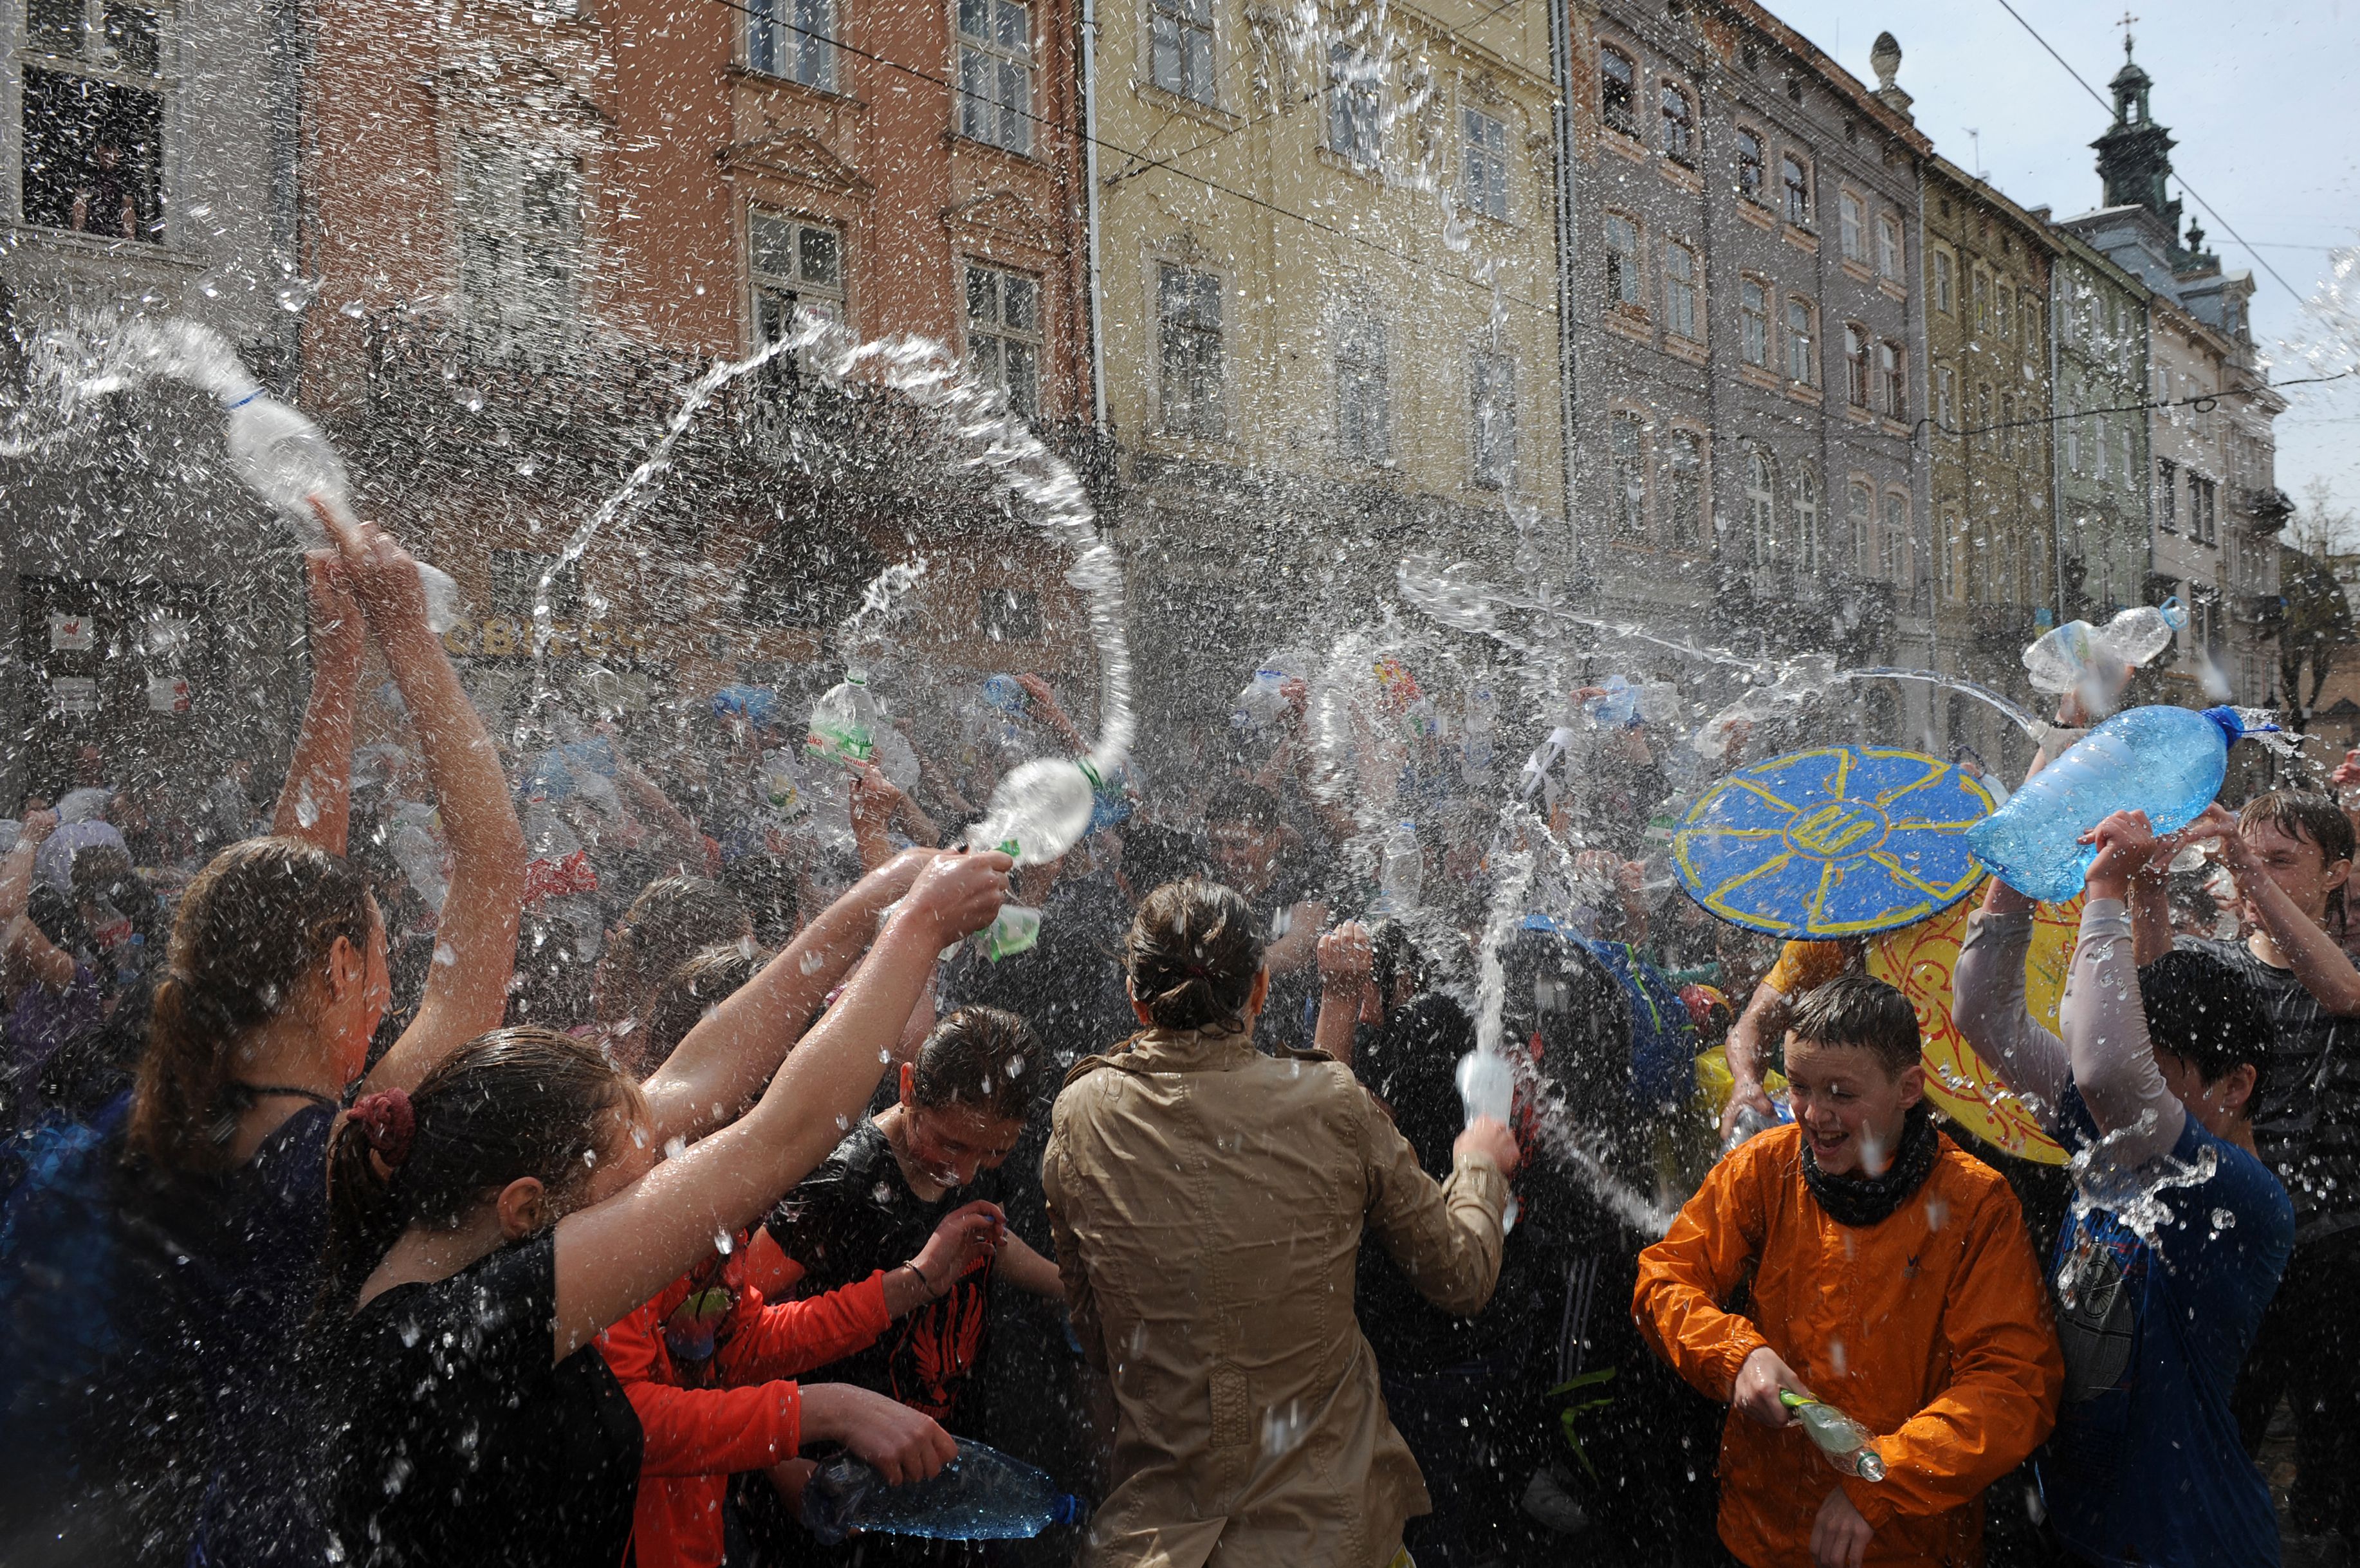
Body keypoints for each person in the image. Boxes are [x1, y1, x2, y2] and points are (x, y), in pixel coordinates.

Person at [317, 847, 1013, 1568]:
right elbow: (785, 1133)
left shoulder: (435, 1230)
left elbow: (703, 1070)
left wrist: (871, 903)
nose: (654, 1187)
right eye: (626, 1190)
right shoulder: (468, 1322)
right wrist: (921, 927)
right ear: (526, 1207)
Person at [1041, 878, 1518, 1567]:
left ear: (1135, 998)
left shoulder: (1082, 1116)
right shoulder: (1330, 1102)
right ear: (1259, 990)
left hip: (1155, 1538)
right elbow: (1462, 1274)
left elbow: (1095, 1333)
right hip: (1330, 1534)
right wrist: (1476, 1163)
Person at [1953, 808, 2291, 1568]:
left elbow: (2106, 1069)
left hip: (2188, 1543)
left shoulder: (2239, 1196)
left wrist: (2103, 885)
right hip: (2080, 1526)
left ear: (2235, 1085)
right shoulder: (2117, 1142)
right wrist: (2019, 860)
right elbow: (1984, 1014)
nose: (2124, 1103)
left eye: (2158, 1082)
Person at [1632, 973, 2062, 1568]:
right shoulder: (1765, 1166)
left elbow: (2016, 1384)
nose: (1814, 1115)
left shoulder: (1974, 1204)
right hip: (1762, 1532)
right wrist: (1735, 1355)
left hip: (1907, 1546)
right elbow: (1663, 1278)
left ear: (1910, 1088)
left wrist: (1881, 1477)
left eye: (1841, 1093)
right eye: (1801, 1086)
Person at [2120, 793, 2360, 1554]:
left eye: (2280, 860)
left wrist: (2245, 872)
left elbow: (2342, 995)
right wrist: (2147, 885)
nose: (2250, 875)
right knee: (2219, 1431)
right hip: (2232, 1239)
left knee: (2336, 1456)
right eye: (2244, 858)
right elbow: (2149, 991)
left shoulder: (2349, 960)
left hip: (2334, 1249)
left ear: (2338, 874)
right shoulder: (2216, 961)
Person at [764, 1007, 1066, 1495]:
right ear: (908, 1089)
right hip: (838, 1464)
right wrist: (779, 1462)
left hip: (941, 1439)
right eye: (951, 1145)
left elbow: (992, 1242)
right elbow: (736, 1317)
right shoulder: (844, 1183)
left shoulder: (978, 1137)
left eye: (994, 1153)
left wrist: (1074, 1287)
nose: (967, 1173)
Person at [1202, 781, 1332, 1051]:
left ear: (1272, 840)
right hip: (1223, 1050)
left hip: (1287, 1055)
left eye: (1238, 845)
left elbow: (1301, 945)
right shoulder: (1210, 894)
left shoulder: (1301, 887)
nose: (1225, 857)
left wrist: (1226, 967)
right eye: (1217, 845)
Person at [1715, 937, 1862, 1142]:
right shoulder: (1817, 944)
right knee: (1749, 1122)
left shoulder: (1916, 945)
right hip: (1833, 1099)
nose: (1847, 944)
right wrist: (1746, 1083)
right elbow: (1752, 1025)